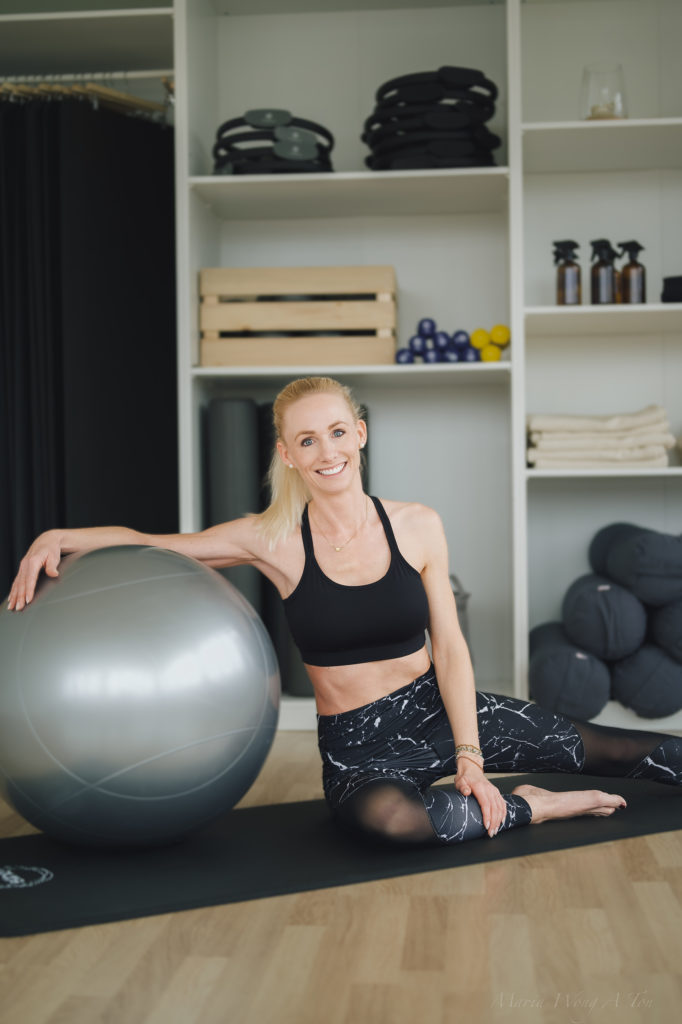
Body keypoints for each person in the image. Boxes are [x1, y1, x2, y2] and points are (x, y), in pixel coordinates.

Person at [8, 376, 681, 846]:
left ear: (359, 434)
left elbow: (449, 646)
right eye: (306, 441)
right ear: (287, 454)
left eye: (336, 432)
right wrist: (59, 538)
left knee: (617, 748)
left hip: (438, 711)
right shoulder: (273, 539)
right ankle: (532, 805)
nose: (326, 451)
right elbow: (154, 543)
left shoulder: (417, 524)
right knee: (394, 823)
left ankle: (502, 790)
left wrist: (469, 756)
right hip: (359, 747)